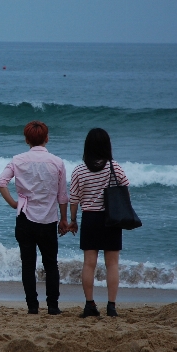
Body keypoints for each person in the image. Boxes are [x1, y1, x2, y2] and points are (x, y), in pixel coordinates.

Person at [0, 121, 69, 315]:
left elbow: (1, 182)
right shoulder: (57, 162)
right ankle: (53, 306)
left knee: (28, 264)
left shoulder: (18, 160)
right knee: (51, 264)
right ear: (47, 138)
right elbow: (62, 196)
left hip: (25, 218)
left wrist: (14, 203)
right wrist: (64, 219)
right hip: (48, 219)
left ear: (26, 140)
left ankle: (32, 306)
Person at [68, 128, 130, 318]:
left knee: (89, 264)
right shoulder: (115, 167)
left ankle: (89, 305)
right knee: (112, 264)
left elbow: (74, 199)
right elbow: (125, 188)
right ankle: (111, 306)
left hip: (90, 218)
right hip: (111, 219)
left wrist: (73, 220)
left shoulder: (79, 170)